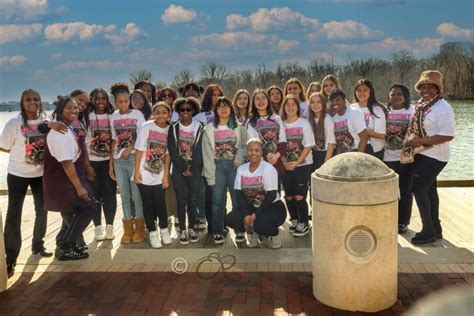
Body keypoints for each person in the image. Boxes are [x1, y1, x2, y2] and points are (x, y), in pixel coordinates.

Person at [0, 89, 51, 278]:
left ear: (40, 102)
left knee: (42, 209)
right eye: (28, 99)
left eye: (36, 99)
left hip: (40, 174)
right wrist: (23, 157)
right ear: (22, 103)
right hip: (17, 174)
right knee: (14, 214)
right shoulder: (13, 123)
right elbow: (4, 146)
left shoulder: (45, 123)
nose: (33, 102)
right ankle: (11, 257)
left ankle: (38, 245)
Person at [402, 70, 455, 245]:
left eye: (430, 86)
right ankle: (435, 228)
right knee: (429, 189)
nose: (426, 89)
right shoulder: (421, 105)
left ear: (437, 89)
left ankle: (427, 230)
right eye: (423, 86)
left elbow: (447, 135)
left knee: (418, 187)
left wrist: (419, 140)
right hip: (422, 153)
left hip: (435, 154)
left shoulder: (443, 108)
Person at [43, 96, 98, 261]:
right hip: (64, 181)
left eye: (75, 107)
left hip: (68, 179)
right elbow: (67, 163)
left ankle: (63, 244)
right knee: (89, 207)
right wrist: (79, 187)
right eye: (68, 108)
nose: (73, 110)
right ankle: (67, 247)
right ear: (60, 110)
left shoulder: (68, 128)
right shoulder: (61, 132)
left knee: (76, 212)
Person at [225, 138, 287, 249]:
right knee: (230, 219)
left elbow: (271, 196)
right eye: (250, 150)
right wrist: (246, 215)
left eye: (257, 150)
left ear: (262, 152)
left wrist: (254, 215)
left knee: (259, 224)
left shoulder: (268, 169)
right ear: (247, 152)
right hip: (251, 206)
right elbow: (239, 195)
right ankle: (252, 232)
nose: (253, 153)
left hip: (271, 206)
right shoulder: (241, 169)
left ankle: (274, 234)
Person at [202, 96, 248, 244]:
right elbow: (206, 152)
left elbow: (245, 146)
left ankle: (239, 230)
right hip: (217, 167)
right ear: (216, 110)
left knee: (237, 200)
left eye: (226, 106)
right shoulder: (209, 128)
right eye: (220, 106)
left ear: (231, 109)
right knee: (217, 201)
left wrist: (240, 157)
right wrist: (210, 173)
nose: (223, 109)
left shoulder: (239, 127)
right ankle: (218, 231)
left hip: (234, 167)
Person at [109, 82, 146, 243]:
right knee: (124, 194)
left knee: (136, 194)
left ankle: (139, 229)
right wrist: (111, 161)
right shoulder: (113, 117)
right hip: (119, 161)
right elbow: (113, 140)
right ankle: (127, 229)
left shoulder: (137, 114)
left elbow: (142, 135)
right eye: (119, 101)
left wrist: (129, 147)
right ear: (115, 102)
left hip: (133, 158)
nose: (123, 104)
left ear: (129, 100)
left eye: (125, 101)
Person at [134, 102, 172, 248]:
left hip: (160, 172)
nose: (161, 115)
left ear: (169, 114)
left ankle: (164, 230)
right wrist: (136, 171)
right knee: (148, 203)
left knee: (160, 203)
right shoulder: (146, 126)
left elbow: (168, 154)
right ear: (153, 114)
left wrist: (166, 175)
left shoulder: (170, 129)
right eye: (157, 112)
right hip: (144, 171)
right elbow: (139, 149)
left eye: (164, 112)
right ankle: (152, 232)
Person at [168, 97, 205, 244]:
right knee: (181, 199)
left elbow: (200, 150)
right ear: (177, 111)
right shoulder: (173, 127)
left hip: (195, 168)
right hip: (178, 169)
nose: (185, 112)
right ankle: (182, 229)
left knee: (193, 199)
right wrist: (183, 168)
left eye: (188, 109)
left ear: (194, 110)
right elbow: (172, 149)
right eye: (182, 109)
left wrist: (192, 168)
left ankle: (192, 228)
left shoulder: (200, 126)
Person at [280, 95, 315, 236]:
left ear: (298, 107)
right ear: (284, 107)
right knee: (289, 195)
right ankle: (294, 219)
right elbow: (278, 146)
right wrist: (284, 162)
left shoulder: (303, 123)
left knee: (300, 196)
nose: (290, 107)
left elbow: (309, 145)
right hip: (285, 165)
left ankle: (304, 222)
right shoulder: (281, 124)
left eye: (293, 104)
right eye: (287, 104)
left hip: (302, 164)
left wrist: (298, 162)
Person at [86, 88, 117, 242]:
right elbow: (82, 143)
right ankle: (97, 227)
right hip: (92, 162)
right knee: (94, 196)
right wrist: (87, 166)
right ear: (91, 100)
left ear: (107, 100)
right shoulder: (86, 117)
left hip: (108, 162)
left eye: (103, 98)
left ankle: (110, 226)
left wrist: (112, 162)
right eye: (96, 98)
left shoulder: (112, 116)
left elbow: (114, 140)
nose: (100, 101)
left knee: (109, 194)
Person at [384, 84, 414, 234]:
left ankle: (403, 222)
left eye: (399, 94)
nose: (396, 97)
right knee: (389, 191)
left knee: (406, 190)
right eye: (393, 94)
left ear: (405, 96)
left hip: (405, 158)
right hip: (387, 157)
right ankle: (389, 218)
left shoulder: (412, 111)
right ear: (389, 97)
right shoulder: (384, 112)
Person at [246, 89, 287, 177]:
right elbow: (254, 143)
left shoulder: (276, 118)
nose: (261, 101)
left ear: (268, 100)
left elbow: (283, 139)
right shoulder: (251, 122)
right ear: (253, 102)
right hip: (260, 163)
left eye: (263, 98)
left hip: (276, 161)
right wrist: (267, 155)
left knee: (275, 190)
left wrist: (276, 156)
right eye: (257, 99)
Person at [352, 79, 387, 159]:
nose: (362, 93)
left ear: (370, 92)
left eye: (365, 90)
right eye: (359, 90)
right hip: (355, 151)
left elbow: (382, 135)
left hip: (375, 152)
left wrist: (362, 131)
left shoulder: (377, 110)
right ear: (355, 92)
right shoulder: (352, 108)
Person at [330, 90, 368, 154]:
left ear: (344, 101)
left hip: (358, 151)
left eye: (338, 100)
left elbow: (364, 137)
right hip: (344, 154)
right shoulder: (334, 118)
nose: (335, 102)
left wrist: (358, 157)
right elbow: (339, 143)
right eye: (332, 101)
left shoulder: (354, 113)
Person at [307, 92, 335, 172]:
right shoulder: (309, 119)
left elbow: (331, 144)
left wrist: (326, 163)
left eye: (319, 102)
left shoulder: (327, 119)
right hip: (313, 155)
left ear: (323, 103)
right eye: (312, 102)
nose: (315, 105)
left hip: (325, 155)